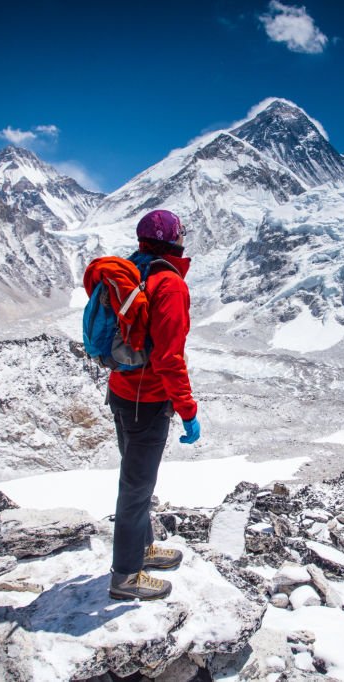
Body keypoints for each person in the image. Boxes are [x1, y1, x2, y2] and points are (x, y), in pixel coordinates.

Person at [108, 209, 201, 601]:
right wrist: (188, 410)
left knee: (137, 484)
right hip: (147, 401)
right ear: (173, 240)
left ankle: (142, 550)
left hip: (121, 391)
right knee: (137, 487)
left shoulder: (131, 273)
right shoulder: (169, 285)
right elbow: (168, 358)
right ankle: (126, 576)